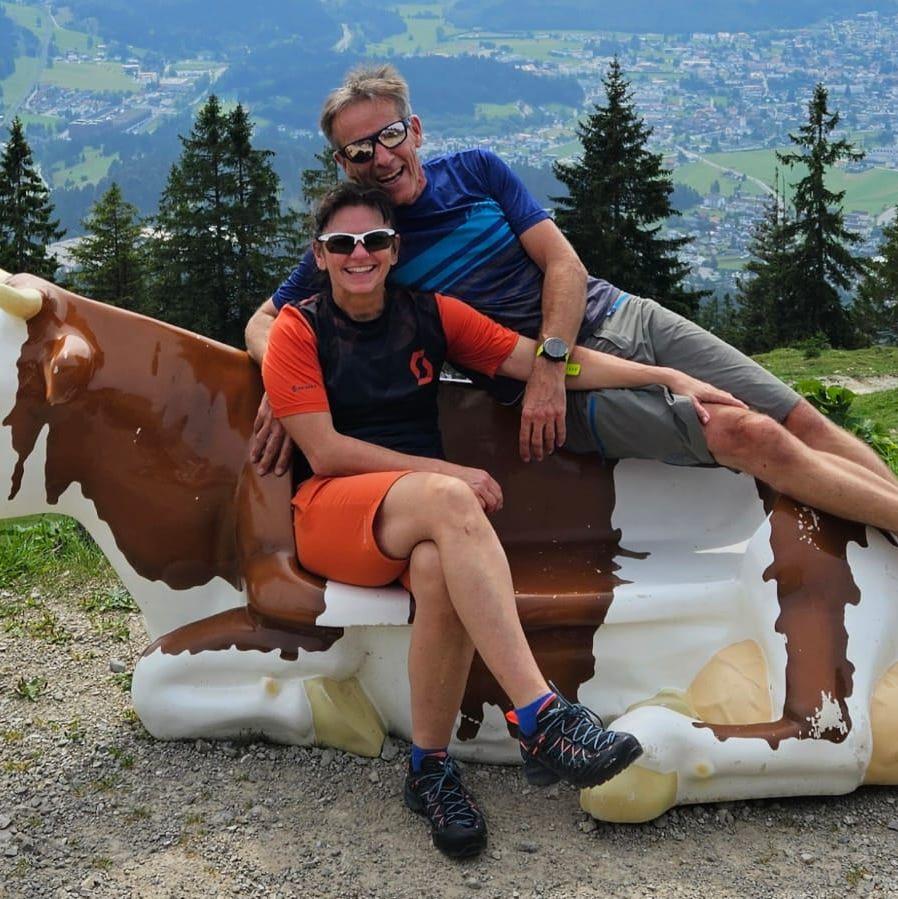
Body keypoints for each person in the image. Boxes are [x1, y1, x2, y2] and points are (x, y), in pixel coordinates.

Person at [262, 182, 746, 857]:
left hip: (418, 517)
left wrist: (661, 376)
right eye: (342, 243)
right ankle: (542, 715)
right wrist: (447, 475)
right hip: (333, 512)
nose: (359, 253)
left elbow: (539, 360)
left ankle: (429, 770)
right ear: (320, 255)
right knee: (452, 502)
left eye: (374, 240)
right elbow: (325, 451)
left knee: (439, 568)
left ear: (395, 249)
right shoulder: (299, 328)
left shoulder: (430, 314)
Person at [247, 64, 898, 536]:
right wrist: (289, 385)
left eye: (389, 135)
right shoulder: (366, 242)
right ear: (345, 163)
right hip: (564, 393)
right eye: (359, 149)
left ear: (414, 130)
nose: (380, 157)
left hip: (615, 322)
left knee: (803, 420)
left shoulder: (477, 171)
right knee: (749, 433)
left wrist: (550, 366)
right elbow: (268, 321)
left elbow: (563, 263)